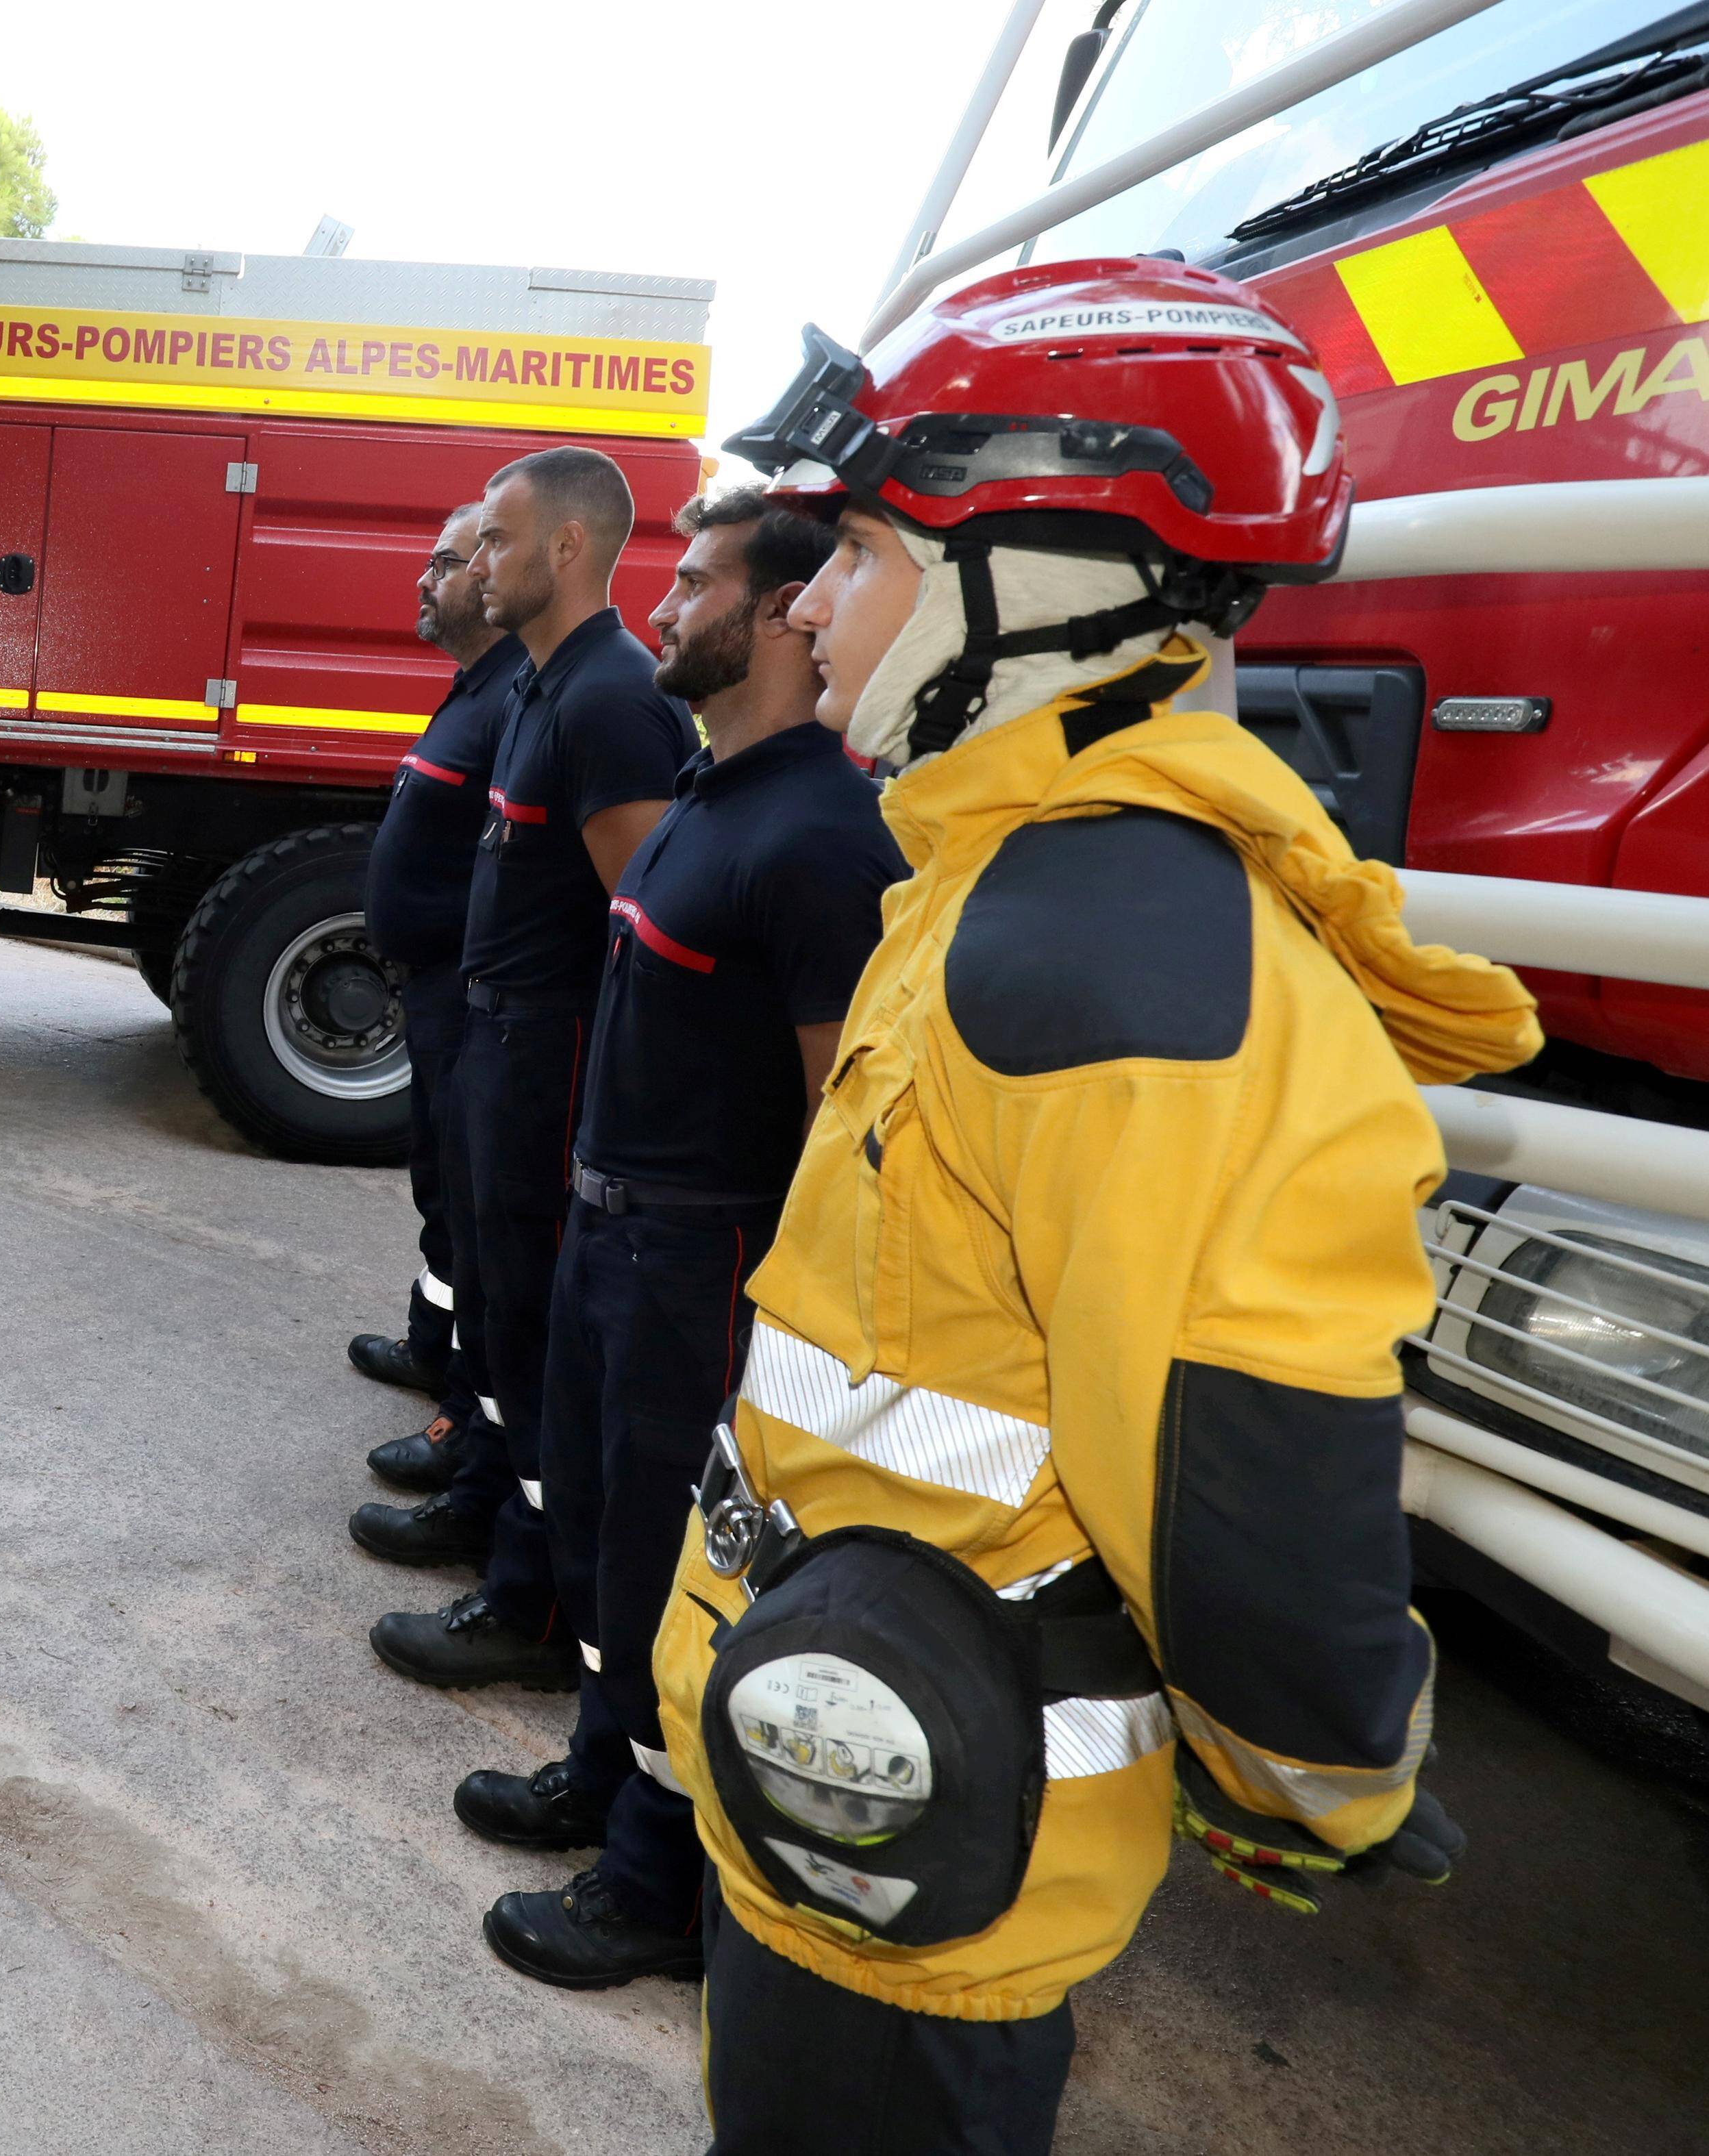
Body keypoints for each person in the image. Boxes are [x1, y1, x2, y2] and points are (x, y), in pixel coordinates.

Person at [662, 262, 1540, 2148]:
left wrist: (1323, 1758)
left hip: (930, 1824)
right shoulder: (1006, 883)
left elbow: (1246, 1457)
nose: (808, 600)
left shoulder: (1120, 964)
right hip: (847, 1752)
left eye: (868, 549)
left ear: (1045, 584)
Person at [462, 488, 904, 1992]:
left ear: (783, 612)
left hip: (701, 1264)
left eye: (695, 580)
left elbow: (842, 1118)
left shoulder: (827, 840)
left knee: (672, 1567)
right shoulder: (713, 795)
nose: (660, 605)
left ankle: (659, 1884)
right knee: (596, 1532)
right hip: (610, 1236)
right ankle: (603, 1774)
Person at [364, 447, 687, 1687]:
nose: (471, 561)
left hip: (547, 1057)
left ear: (565, 549)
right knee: (499, 1318)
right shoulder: (545, 690)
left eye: (495, 540)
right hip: (497, 1042)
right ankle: (493, 1510)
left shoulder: (608, 697)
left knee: (538, 1331)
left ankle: (533, 1601)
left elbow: (640, 936)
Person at [347, 505, 519, 1494]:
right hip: (436, 995)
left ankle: (464, 1404)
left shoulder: (517, 700)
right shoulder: (475, 688)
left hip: (471, 998)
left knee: (473, 1200)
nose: (425, 577)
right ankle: (433, 1339)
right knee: (440, 1193)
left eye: (446, 562)